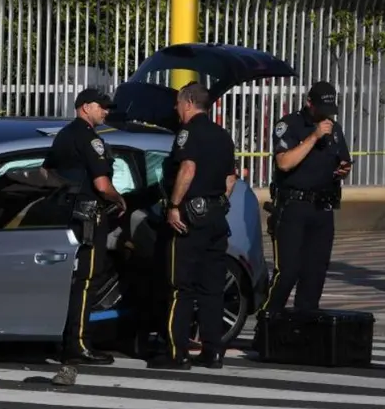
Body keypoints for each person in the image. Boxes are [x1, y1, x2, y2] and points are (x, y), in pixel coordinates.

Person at [148, 82, 237, 370]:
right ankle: (213, 352)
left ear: (188, 102)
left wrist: (174, 206)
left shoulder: (188, 133)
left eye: (177, 103)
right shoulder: (222, 135)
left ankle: (177, 353)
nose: (175, 108)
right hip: (216, 218)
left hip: (189, 219)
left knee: (180, 287)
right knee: (212, 289)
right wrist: (216, 204)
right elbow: (231, 179)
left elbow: (188, 168)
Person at [43, 87, 127, 366]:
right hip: (90, 217)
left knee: (73, 281)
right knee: (88, 281)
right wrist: (119, 199)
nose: (106, 112)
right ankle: (78, 344)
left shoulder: (63, 135)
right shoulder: (91, 139)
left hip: (66, 217)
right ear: (85, 107)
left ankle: (68, 341)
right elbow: (102, 185)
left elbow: (47, 173)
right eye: (101, 106)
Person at [259, 81, 352, 315]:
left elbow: (342, 159)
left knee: (315, 273)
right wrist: (314, 136)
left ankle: (304, 327)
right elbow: (284, 163)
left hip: (323, 207)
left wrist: (343, 169)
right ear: (309, 103)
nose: (326, 115)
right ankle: (268, 321)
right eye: (321, 108)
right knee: (288, 272)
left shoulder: (335, 129)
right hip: (294, 207)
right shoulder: (290, 125)